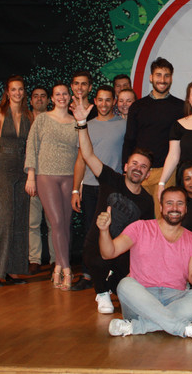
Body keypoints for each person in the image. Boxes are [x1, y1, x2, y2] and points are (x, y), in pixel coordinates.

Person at [100, 186, 192, 339]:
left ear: (185, 208)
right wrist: (104, 231)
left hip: (175, 299)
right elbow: (108, 253)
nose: (174, 208)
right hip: (140, 299)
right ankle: (183, 328)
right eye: (169, 203)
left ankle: (136, 327)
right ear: (161, 207)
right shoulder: (140, 227)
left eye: (179, 203)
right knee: (125, 284)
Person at [74, 102, 155, 313]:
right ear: (126, 166)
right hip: (97, 245)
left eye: (143, 167)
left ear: (147, 175)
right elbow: (88, 155)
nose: (138, 169)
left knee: (129, 287)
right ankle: (101, 292)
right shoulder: (111, 178)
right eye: (134, 164)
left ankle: (111, 284)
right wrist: (82, 123)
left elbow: (146, 237)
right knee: (97, 259)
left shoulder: (147, 201)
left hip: (123, 251)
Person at [71, 85, 126, 289]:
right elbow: (80, 159)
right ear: (95, 101)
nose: (104, 104)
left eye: (108, 100)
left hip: (114, 189)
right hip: (90, 187)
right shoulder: (87, 125)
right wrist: (75, 189)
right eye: (100, 100)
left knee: (115, 231)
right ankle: (87, 274)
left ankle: (113, 275)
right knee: (90, 232)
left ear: (114, 102)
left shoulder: (124, 125)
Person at [24, 83, 78, 291]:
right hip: (45, 176)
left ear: (69, 97)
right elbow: (32, 146)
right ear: (52, 99)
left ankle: (58, 267)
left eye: (65, 93)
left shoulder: (76, 121)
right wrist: (31, 175)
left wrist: (79, 182)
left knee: (64, 224)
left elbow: (81, 151)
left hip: (69, 177)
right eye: (57, 94)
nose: (61, 97)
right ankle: (67, 269)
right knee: (56, 222)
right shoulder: (42, 119)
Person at [0, 76, 32, 286]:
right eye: (13, 89)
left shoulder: (29, 115)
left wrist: (32, 173)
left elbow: (32, 145)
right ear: (7, 92)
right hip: (3, 167)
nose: (17, 93)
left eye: (20, 89)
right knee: (6, 218)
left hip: (23, 168)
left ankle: (14, 269)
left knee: (21, 219)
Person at [122, 58, 185, 198]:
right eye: (158, 75)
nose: (162, 80)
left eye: (166, 75)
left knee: (163, 211)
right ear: (151, 78)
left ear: (171, 79)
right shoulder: (137, 106)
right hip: (140, 171)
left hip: (167, 172)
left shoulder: (181, 107)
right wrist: (125, 168)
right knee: (138, 211)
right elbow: (129, 139)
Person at [27, 85, 53, 273]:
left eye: (43, 96)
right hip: (31, 177)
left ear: (48, 100)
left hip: (51, 177)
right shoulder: (24, 120)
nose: (39, 99)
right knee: (32, 222)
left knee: (53, 222)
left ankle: (55, 259)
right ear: (30, 100)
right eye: (35, 96)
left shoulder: (54, 120)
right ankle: (34, 259)